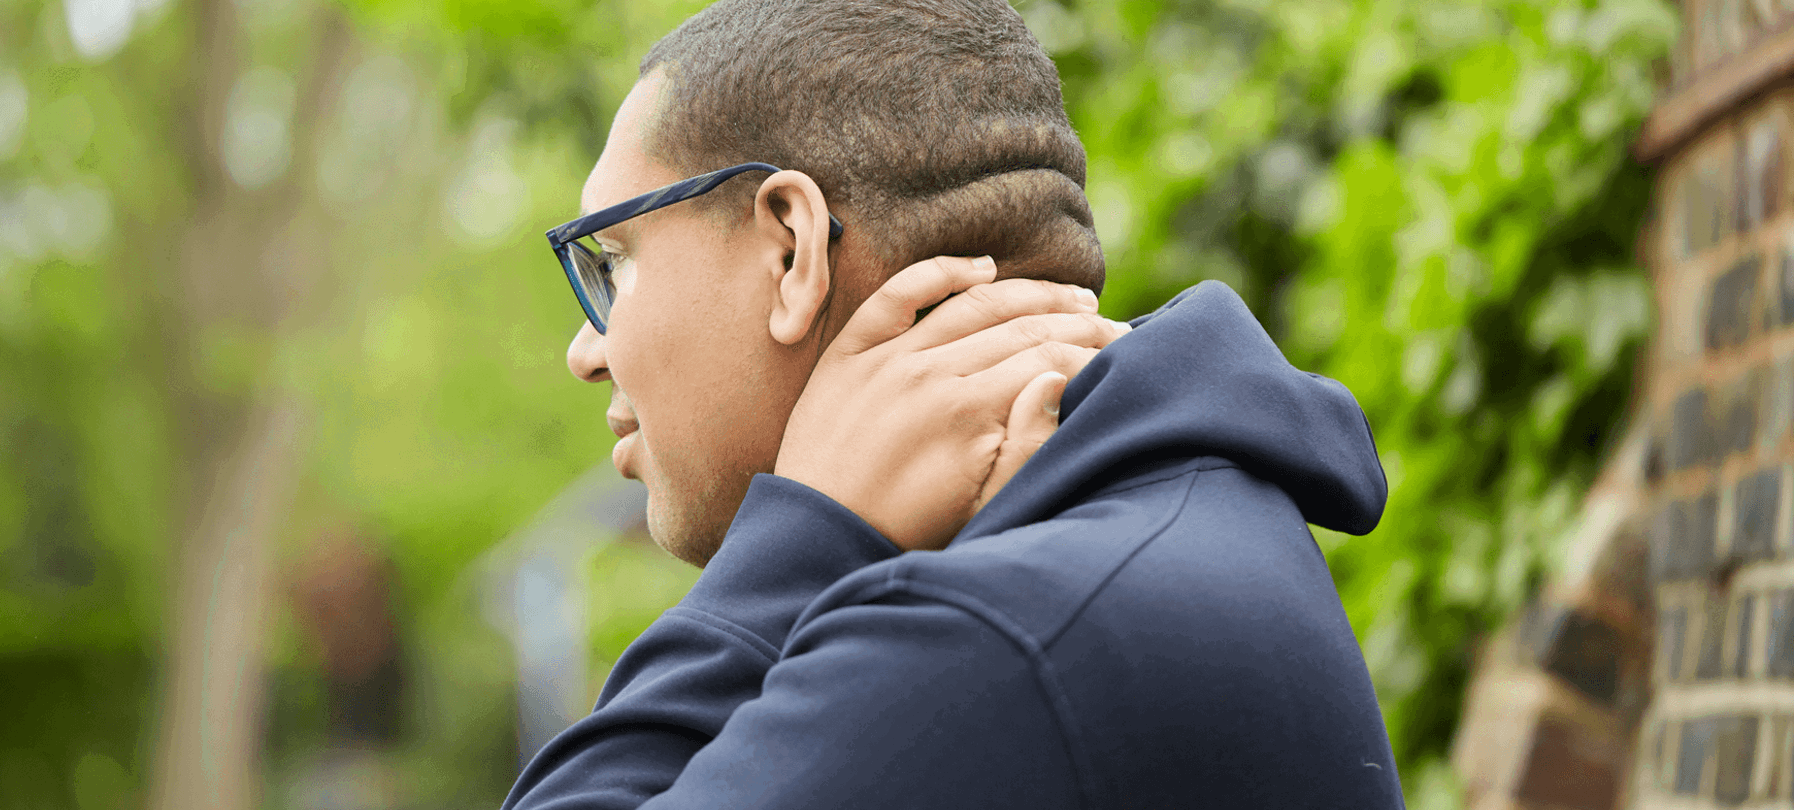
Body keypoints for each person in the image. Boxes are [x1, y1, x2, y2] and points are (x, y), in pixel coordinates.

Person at [510, 0, 1404, 807]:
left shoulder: (993, 639)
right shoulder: (1166, 516)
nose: (586, 353)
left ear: (790, 250)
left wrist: (802, 539)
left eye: (613, 262)